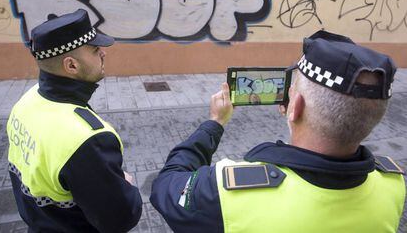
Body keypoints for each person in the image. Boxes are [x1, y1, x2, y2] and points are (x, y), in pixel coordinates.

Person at [150, 30, 406, 233]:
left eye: (293, 90)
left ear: (294, 106)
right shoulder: (393, 184)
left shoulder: (231, 193)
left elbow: (165, 187)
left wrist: (214, 123)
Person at [6, 9, 142, 232]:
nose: (103, 54)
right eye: (96, 49)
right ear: (71, 65)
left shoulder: (27, 100)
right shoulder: (88, 138)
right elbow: (120, 219)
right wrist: (125, 184)